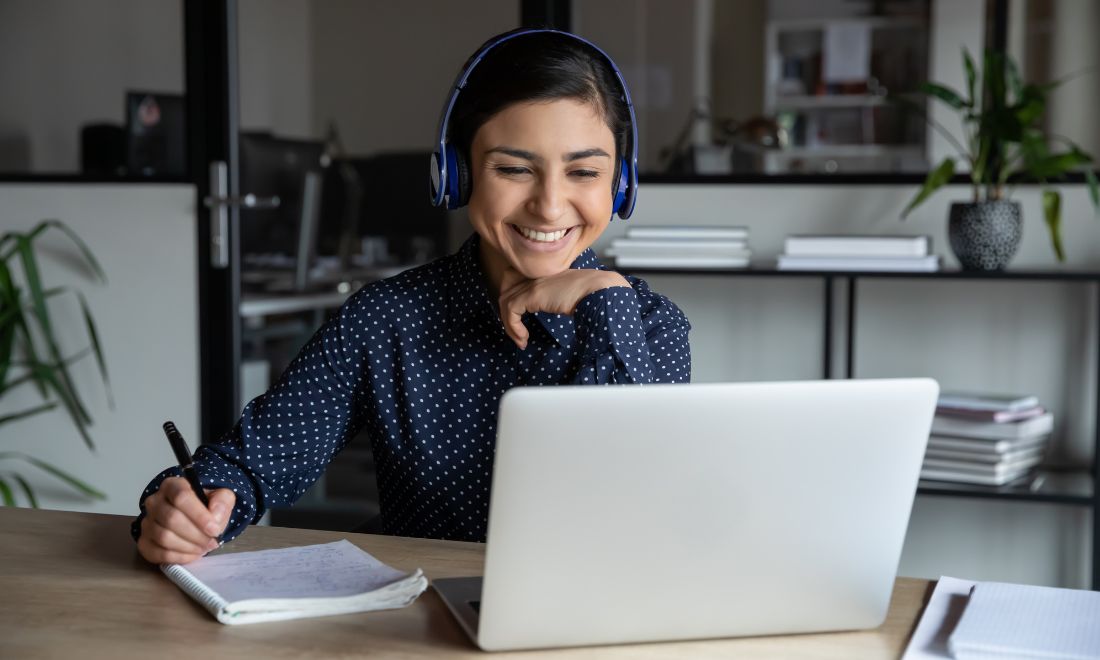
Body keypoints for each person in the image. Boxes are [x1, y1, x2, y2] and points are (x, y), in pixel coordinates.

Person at [133, 28, 692, 565]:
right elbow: (251, 464)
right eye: (514, 168)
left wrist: (605, 301)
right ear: (457, 173)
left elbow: (632, 510)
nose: (549, 206)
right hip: (416, 621)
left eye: (584, 172)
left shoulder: (649, 326)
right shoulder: (386, 318)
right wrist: (185, 507)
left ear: (620, 184)